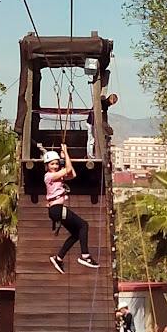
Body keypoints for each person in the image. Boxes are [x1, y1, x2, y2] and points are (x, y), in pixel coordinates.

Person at [44, 143, 100, 274]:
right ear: (46, 166)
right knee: (84, 225)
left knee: (76, 233)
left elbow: (72, 173)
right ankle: (85, 256)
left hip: (57, 210)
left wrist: (64, 159)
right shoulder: (49, 176)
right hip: (56, 209)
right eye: (52, 164)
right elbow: (68, 169)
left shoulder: (58, 176)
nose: (55, 166)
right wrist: (66, 153)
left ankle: (59, 258)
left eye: (57, 164)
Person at [86, 93, 118, 158]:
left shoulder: (103, 103)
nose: (112, 104)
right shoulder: (103, 104)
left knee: (92, 139)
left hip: (93, 122)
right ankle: (90, 154)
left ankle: (91, 153)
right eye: (113, 102)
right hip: (91, 122)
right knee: (91, 139)